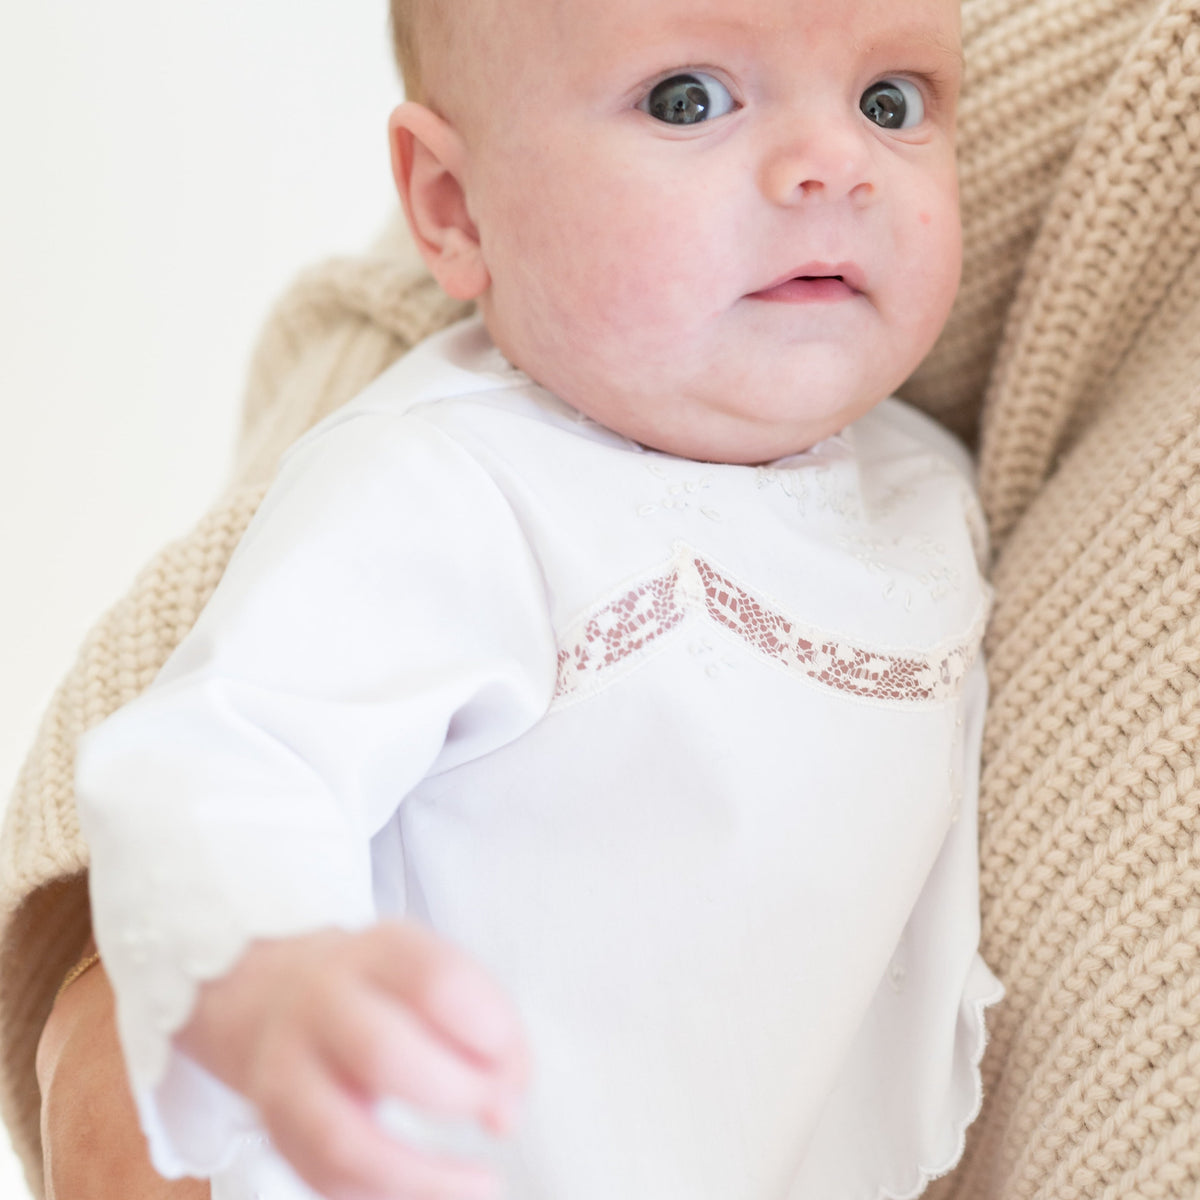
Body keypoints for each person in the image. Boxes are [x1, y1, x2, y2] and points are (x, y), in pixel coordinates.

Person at [5, 1, 1200, 1199]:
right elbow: (219, 758)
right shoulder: (455, 485)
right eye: (689, 100)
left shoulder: (931, 490)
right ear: (452, 208)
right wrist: (253, 974)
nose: (834, 165)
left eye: (892, 103)